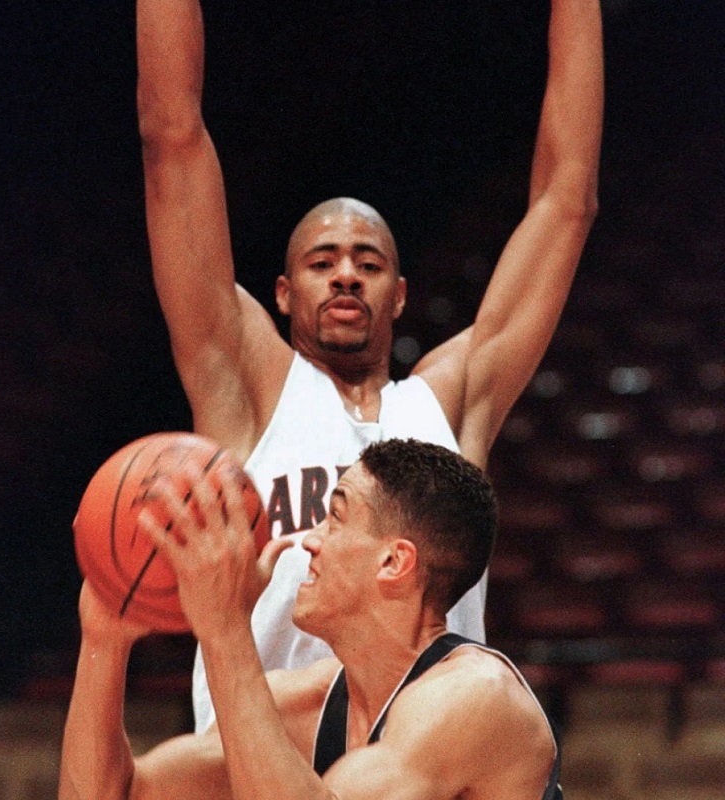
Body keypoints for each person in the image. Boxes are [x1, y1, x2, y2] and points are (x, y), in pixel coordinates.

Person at [136, 0, 604, 729]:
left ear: (401, 294)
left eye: (369, 262)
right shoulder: (248, 386)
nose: (347, 274)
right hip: (261, 763)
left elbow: (565, 200)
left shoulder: (447, 407)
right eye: (323, 262)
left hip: (423, 763)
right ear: (285, 295)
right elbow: (171, 137)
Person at [59, 438, 562, 800]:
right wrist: (104, 638)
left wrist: (225, 628)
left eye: (335, 517)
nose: (310, 540)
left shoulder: (477, 698)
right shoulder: (300, 706)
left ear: (393, 562)